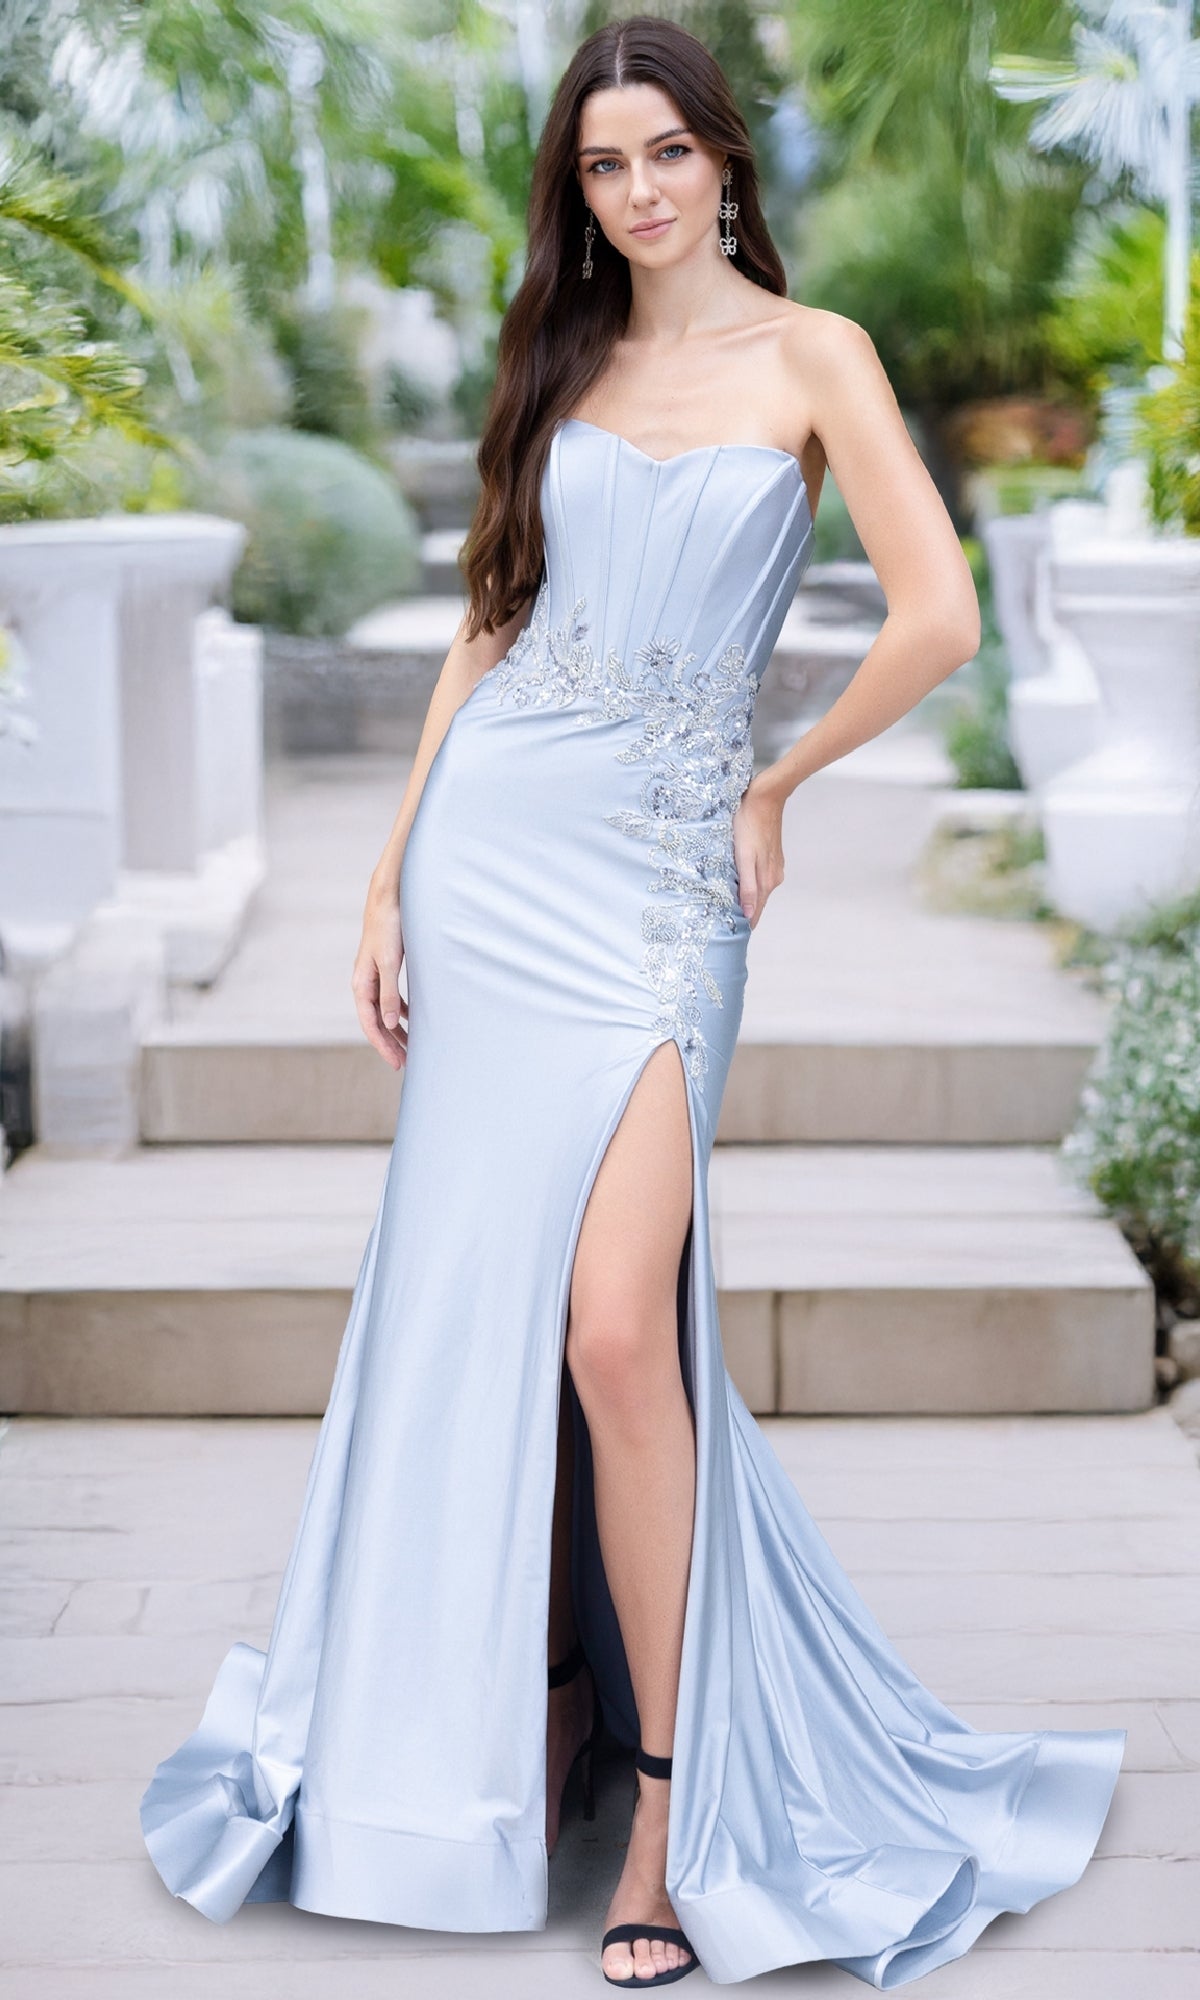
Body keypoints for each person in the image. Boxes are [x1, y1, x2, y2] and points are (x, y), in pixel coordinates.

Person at [140, 15, 1126, 1991]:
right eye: (606, 165)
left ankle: (672, 1806)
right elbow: (494, 620)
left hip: (669, 885)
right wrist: (386, 870)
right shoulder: (568, 360)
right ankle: (561, 1700)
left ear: (725, 162)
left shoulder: (814, 354)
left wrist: (778, 777)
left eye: (668, 152)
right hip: (493, 863)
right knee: (488, 1307)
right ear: (578, 190)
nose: (642, 190)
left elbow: (935, 616)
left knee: (612, 1324)